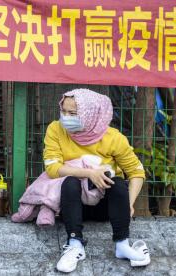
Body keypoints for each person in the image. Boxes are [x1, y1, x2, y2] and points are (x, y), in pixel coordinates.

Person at [43, 89, 147, 273]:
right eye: (63, 111)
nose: (65, 117)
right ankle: (75, 244)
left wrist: (128, 204)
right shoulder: (55, 129)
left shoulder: (113, 138)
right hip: (70, 206)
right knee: (70, 182)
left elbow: (136, 171)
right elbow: (52, 168)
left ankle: (122, 244)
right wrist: (89, 173)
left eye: (72, 113)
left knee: (119, 184)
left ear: (90, 114)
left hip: (105, 208)